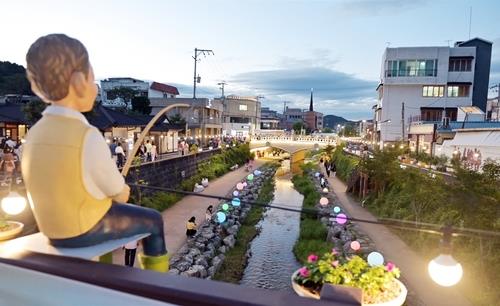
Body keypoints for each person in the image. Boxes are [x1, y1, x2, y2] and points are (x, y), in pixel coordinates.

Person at [21, 34, 169, 272]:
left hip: (50, 229)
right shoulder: (86, 135)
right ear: (79, 82)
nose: (96, 87)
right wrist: (124, 191)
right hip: (83, 228)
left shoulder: (34, 134)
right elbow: (116, 191)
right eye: (93, 79)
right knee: (153, 220)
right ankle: (159, 283)